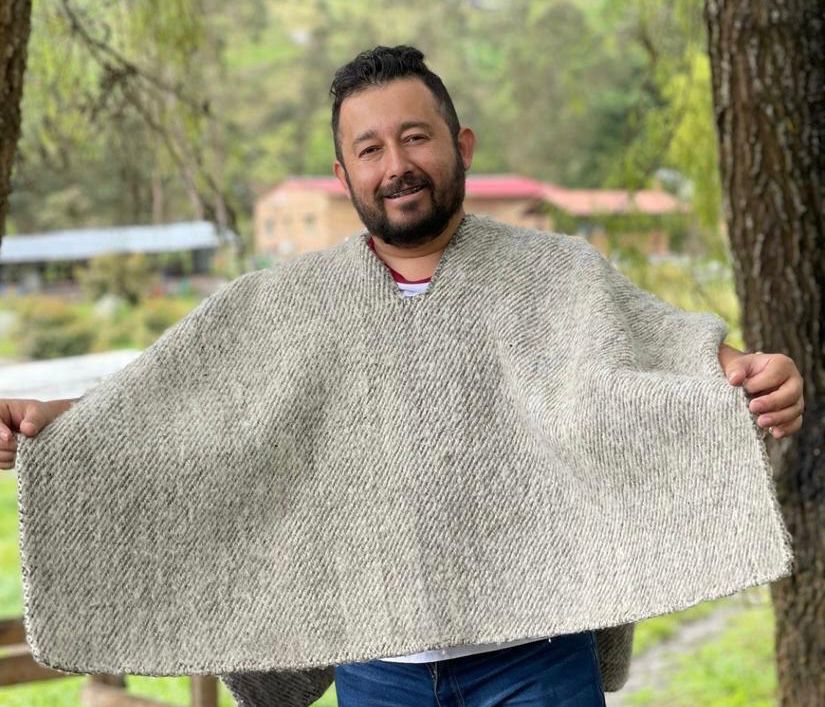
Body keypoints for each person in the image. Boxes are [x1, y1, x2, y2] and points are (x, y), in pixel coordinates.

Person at [1, 46, 805, 706]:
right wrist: (57, 425)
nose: (396, 164)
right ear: (344, 171)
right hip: (377, 666)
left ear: (461, 144)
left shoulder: (553, 272)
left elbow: (664, 353)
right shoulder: (287, 302)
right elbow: (184, 406)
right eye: (370, 148)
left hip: (534, 656)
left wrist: (747, 373)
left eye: (415, 138)